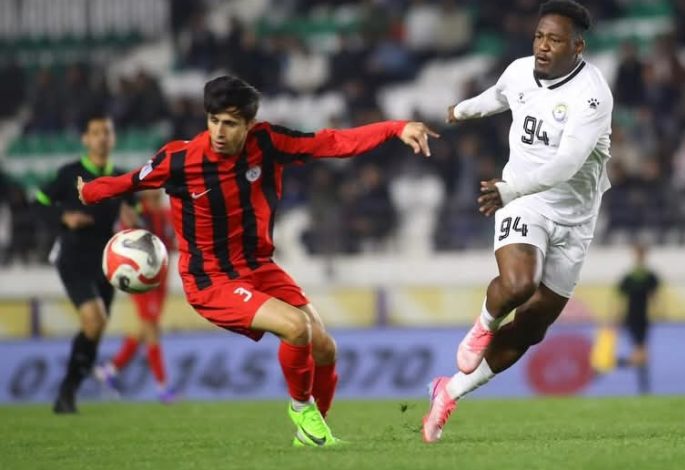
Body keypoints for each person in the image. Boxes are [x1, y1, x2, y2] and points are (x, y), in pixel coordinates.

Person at [78, 75, 438, 447]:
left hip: (259, 267)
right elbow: (129, 181)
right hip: (211, 279)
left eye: (230, 123)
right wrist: (89, 191)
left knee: (325, 348)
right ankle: (301, 409)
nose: (219, 132)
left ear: (249, 124)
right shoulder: (180, 159)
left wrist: (396, 128)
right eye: (214, 120)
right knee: (296, 327)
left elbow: (332, 142)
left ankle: (312, 432)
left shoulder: (267, 143)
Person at [422, 0, 613, 442]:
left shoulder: (592, 95)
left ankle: (449, 391)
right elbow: (499, 96)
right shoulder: (519, 71)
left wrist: (510, 189)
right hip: (527, 201)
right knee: (519, 284)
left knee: (532, 326)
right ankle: (483, 326)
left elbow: (567, 163)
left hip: (575, 219)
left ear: (578, 46)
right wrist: (461, 111)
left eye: (555, 40)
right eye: (539, 36)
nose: (543, 46)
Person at [35, 114, 137, 414]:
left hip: (108, 262)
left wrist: (133, 218)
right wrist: (63, 218)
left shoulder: (121, 178)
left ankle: (68, 392)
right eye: (95, 132)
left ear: (113, 138)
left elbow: (136, 214)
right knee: (94, 319)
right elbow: (38, 203)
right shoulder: (69, 174)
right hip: (73, 256)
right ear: (85, 139)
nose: (102, 137)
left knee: (97, 327)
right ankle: (67, 391)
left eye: (107, 132)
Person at [94, 189, 178, 403]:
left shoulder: (166, 213)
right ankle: (163, 387)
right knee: (151, 330)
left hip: (162, 279)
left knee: (145, 329)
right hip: (142, 279)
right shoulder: (137, 212)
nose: (157, 188)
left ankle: (110, 370)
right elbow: (126, 240)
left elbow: (172, 243)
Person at [615, 243, 660, 394]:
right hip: (631, 317)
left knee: (642, 352)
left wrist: (658, 312)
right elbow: (621, 298)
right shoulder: (629, 277)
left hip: (643, 318)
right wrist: (618, 316)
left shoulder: (649, 276)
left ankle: (624, 365)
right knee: (641, 352)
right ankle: (619, 364)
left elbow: (654, 296)